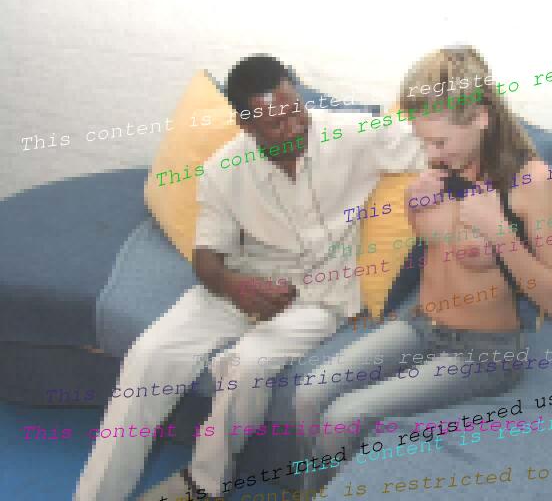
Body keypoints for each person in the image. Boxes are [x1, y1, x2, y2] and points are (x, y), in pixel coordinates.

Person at [73, 54, 425, 501]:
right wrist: (234, 286)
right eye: (276, 123)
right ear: (246, 126)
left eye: (296, 111)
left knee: (247, 364)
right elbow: (207, 257)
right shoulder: (223, 170)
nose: (295, 128)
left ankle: (204, 483)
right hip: (237, 281)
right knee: (149, 355)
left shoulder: (351, 135)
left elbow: (441, 145)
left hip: (317, 297)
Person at [293, 46, 552, 492]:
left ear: (480, 118)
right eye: (422, 141)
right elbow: (441, 248)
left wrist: (500, 232)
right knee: (310, 392)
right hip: (421, 325)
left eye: (438, 142)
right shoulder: (444, 164)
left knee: (345, 417)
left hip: (485, 352)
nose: (429, 153)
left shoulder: (531, 182)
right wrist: (415, 206)